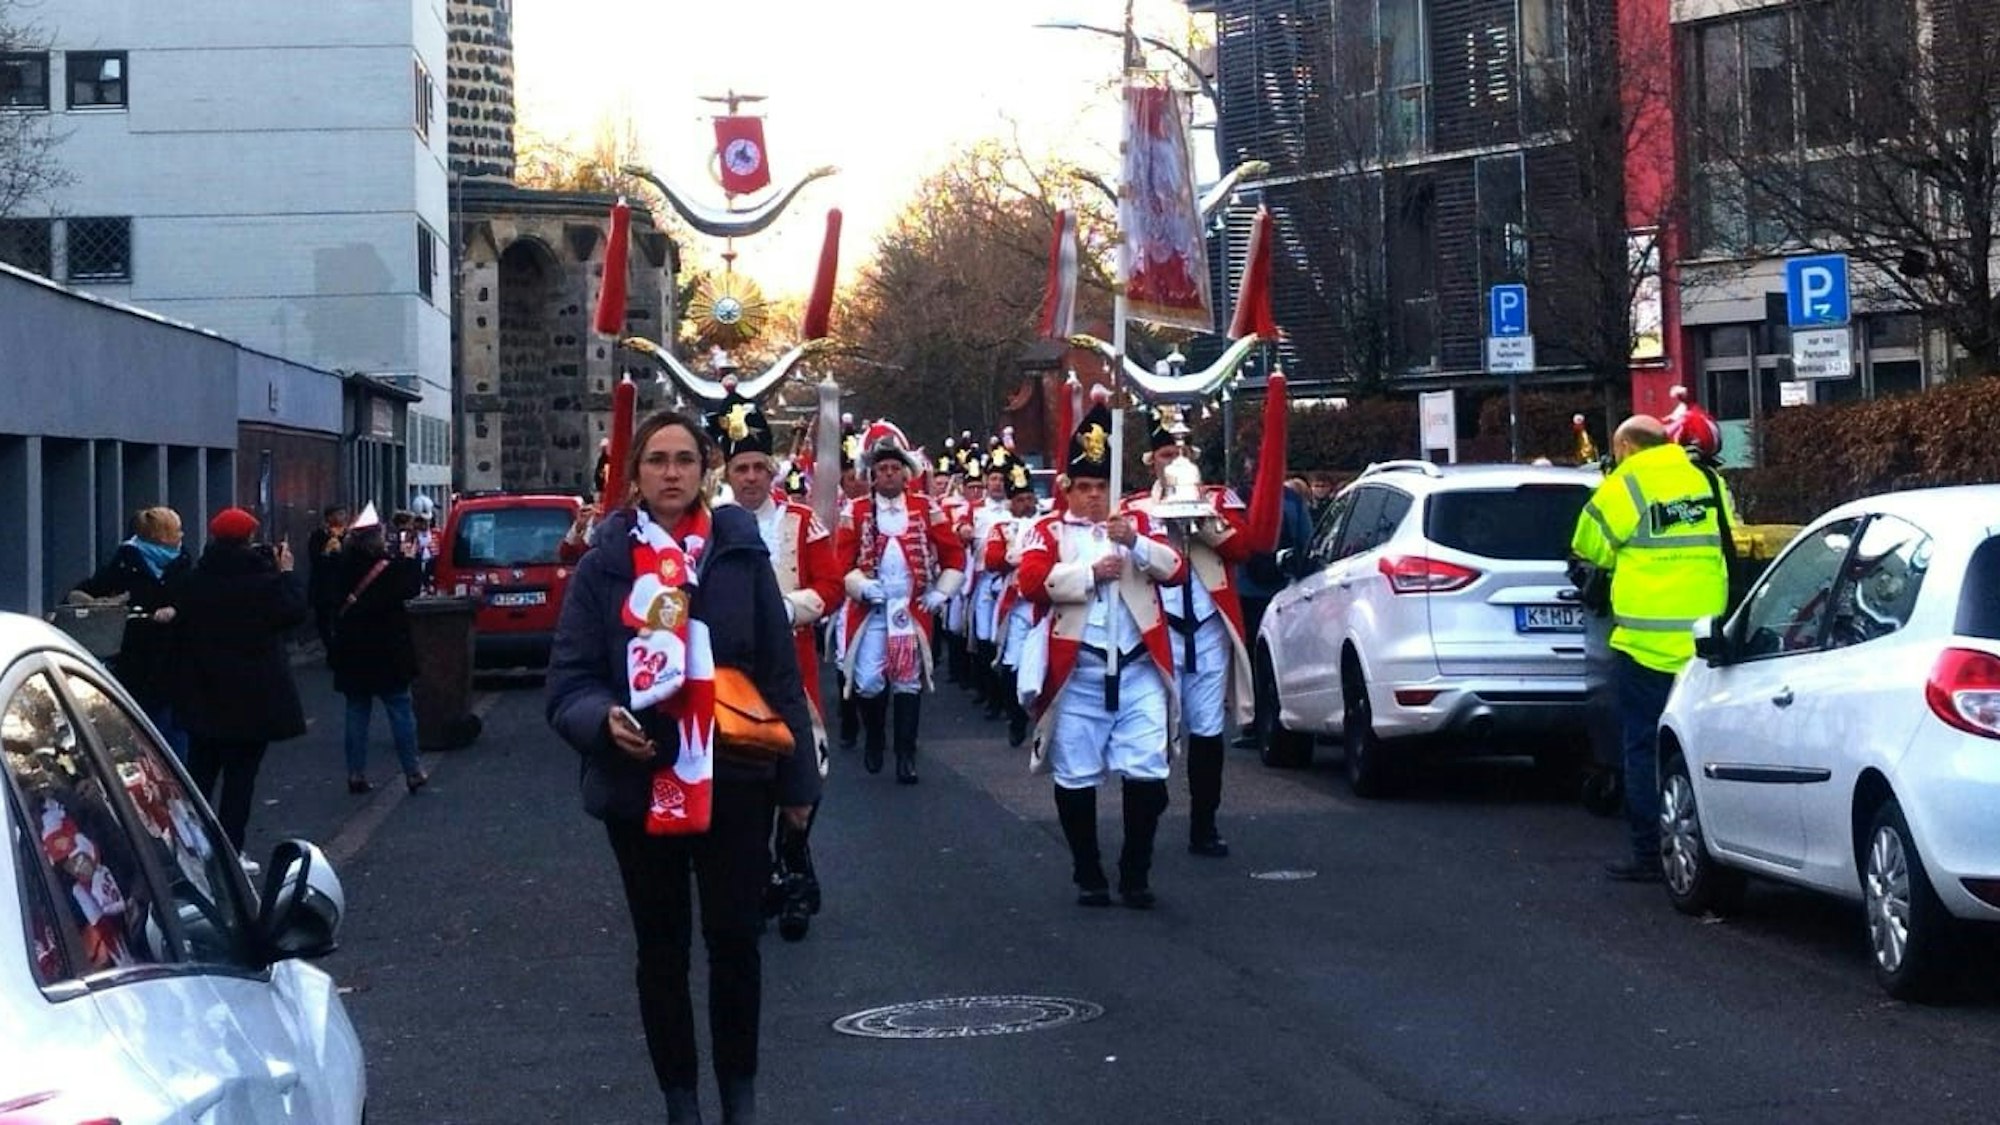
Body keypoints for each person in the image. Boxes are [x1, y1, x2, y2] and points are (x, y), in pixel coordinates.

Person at [546, 408, 819, 1125]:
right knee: (661, 949)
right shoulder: (605, 562)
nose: (671, 472)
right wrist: (601, 720)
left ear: (706, 471)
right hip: (639, 784)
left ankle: (740, 1096)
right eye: (657, 460)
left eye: (685, 460)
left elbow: (779, 671)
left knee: (735, 939)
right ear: (634, 475)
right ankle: (681, 1101)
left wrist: (799, 788)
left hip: (732, 778)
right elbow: (569, 679)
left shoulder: (738, 551)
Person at [1018, 391, 1185, 908]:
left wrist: (1134, 543)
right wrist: (1087, 574)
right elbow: (1030, 581)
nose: (1093, 496)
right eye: (1084, 487)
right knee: (1076, 776)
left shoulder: (1137, 524)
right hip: (1082, 674)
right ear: (1068, 488)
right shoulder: (1048, 529)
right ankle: (1087, 871)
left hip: (1138, 670)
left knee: (1148, 774)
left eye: (1100, 486)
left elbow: (1175, 569)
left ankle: (1136, 871)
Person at [1569, 415, 1729, 883]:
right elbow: (1729, 540)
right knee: (1699, 751)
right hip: (1706, 647)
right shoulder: (1705, 481)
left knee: (1642, 748)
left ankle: (1647, 853)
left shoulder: (1625, 486)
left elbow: (1587, 548)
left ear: (1623, 448)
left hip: (1645, 647)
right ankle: (1709, 848)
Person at [708, 402, 841, 943]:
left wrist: (787, 609)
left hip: (793, 669)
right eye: (742, 469)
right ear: (728, 473)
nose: (752, 478)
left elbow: (830, 587)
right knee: (743, 780)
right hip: (733, 675)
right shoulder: (710, 525)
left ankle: (794, 870)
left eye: (760, 468)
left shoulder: (802, 523)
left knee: (805, 776)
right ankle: (758, 876)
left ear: (773, 471)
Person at [1123, 408, 1257, 859]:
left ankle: (1205, 822)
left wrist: (1199, 519)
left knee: (1206, 731)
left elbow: (1244, 546)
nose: (1173, 459)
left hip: (1208, 628)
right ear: (1151, 460)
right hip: (1161, 634)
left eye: (1181, 451)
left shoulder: (1218, 500)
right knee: (1153, 727)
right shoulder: (1136, 509)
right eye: (1165, 453)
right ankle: (1149, 807)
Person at [835, 421, 968, 784]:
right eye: (882, 470)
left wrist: (941, 592)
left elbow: (954, 556)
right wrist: (861, 586)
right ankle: (875, 735)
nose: (889, 475)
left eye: (895, 468)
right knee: (866, 682)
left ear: (906, 472)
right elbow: (841, 564)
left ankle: (905, 755)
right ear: (872, 475)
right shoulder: (857, 510)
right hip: (871, 610)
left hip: (911, 609)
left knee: (909, 681)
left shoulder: (927, 508)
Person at [172, 507, 308, 854]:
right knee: (240, 780)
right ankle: (231, 850)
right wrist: (287, 573)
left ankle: (192, 845)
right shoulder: (264, 583)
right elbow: (293, 613)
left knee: (200, 775)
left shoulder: (193, 580)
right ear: (249, 539)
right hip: (252, 700)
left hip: (203, 693)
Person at [73, 506, 192, 760]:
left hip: (176, 662)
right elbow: (92, 590)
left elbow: (194, 600)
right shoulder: (126, 563)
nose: (182, 534)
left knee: (174, 731)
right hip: (136, 659)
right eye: (176, 529)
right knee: (145, 729)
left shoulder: (183, 562)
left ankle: (174, 789)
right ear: (161, 535)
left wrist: (176, 610)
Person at [328, 502, 429, 795]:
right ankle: (412, 770)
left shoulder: (341, 565)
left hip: (353, 649)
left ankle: (355, 773)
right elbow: (410, 590)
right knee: (400, 708)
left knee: (357, 711)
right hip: (388, 648)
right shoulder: (390, 567)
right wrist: (411, 561)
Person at [1234, 471, 1315, 750]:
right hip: (1285, 589)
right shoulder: (1292, 500)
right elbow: (1307, 542)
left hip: (1247, 590)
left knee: (1252, 659)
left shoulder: (1238, 498)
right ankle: (1289, 715)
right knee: (1287, 657)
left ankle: (1257, 721)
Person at [985, 461, 1045, 748]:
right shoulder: (1002, 527)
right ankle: (1015, 718)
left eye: (1030, 498)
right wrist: (1013, 556)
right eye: (1020, 500)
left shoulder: (1048, 523)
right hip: (1017, 605)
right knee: (1011, 662)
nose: (1026, 504)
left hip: (1045, 604)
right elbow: (992, 559)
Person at [306, 504, 350, 655]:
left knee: (341, 618)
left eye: (343, 514)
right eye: (339, 514)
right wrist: (326, 552)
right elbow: (315, 559)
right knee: (323, 620)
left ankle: (340, 648)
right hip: (323, 586)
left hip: (343, 585)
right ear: (329, 517)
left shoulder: (349, 536)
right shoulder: (318, 535)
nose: (342, 518)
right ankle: (331, 648)